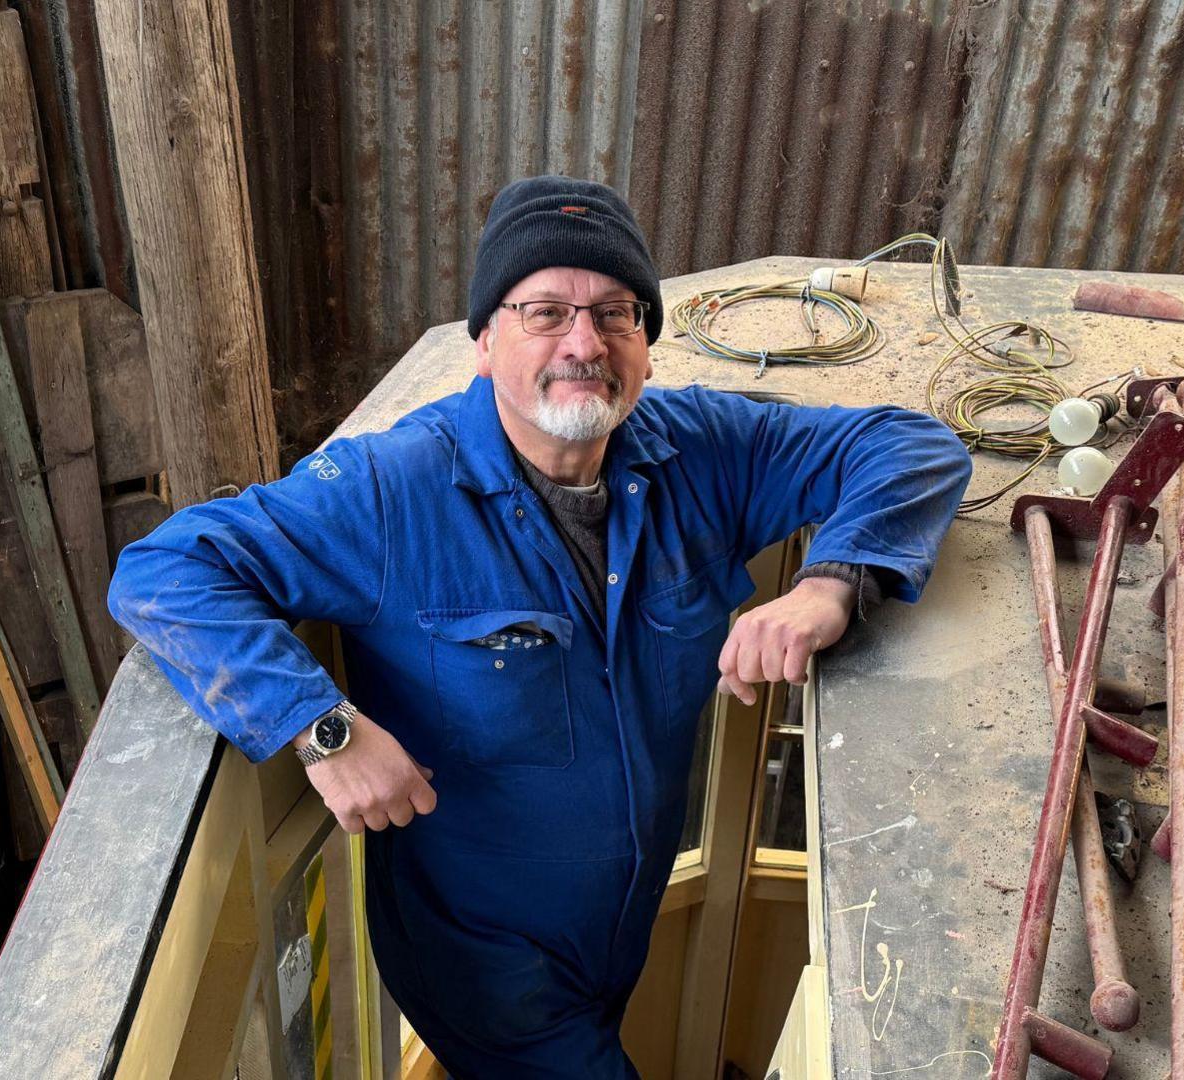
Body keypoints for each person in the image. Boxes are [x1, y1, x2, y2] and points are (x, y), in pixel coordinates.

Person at [107, 175, 973, 1078]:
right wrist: (320, 728)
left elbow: (913, 448)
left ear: (646, 343)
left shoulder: (699, 448)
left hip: (622, 922)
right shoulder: (391, 491)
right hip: (490, 968)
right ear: (483, 341)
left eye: (615, 313)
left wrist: (830, 585)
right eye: (545, 312)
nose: (584, 344)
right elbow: (167, 570)